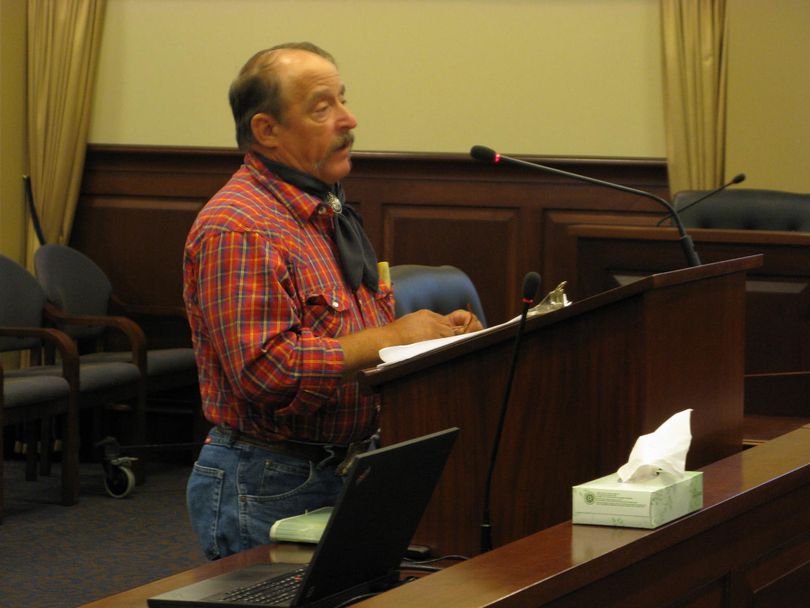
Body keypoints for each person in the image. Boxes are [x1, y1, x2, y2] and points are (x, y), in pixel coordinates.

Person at [182, 42, 482, 559]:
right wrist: (392, 337)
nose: (349, 119)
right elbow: (265, 370)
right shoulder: (241, 227)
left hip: (342, 467)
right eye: (323, 108)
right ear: (267, 130)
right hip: (272, 480)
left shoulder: (324, 211)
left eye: (343, 99)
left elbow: (353, 336)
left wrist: (431, 336)